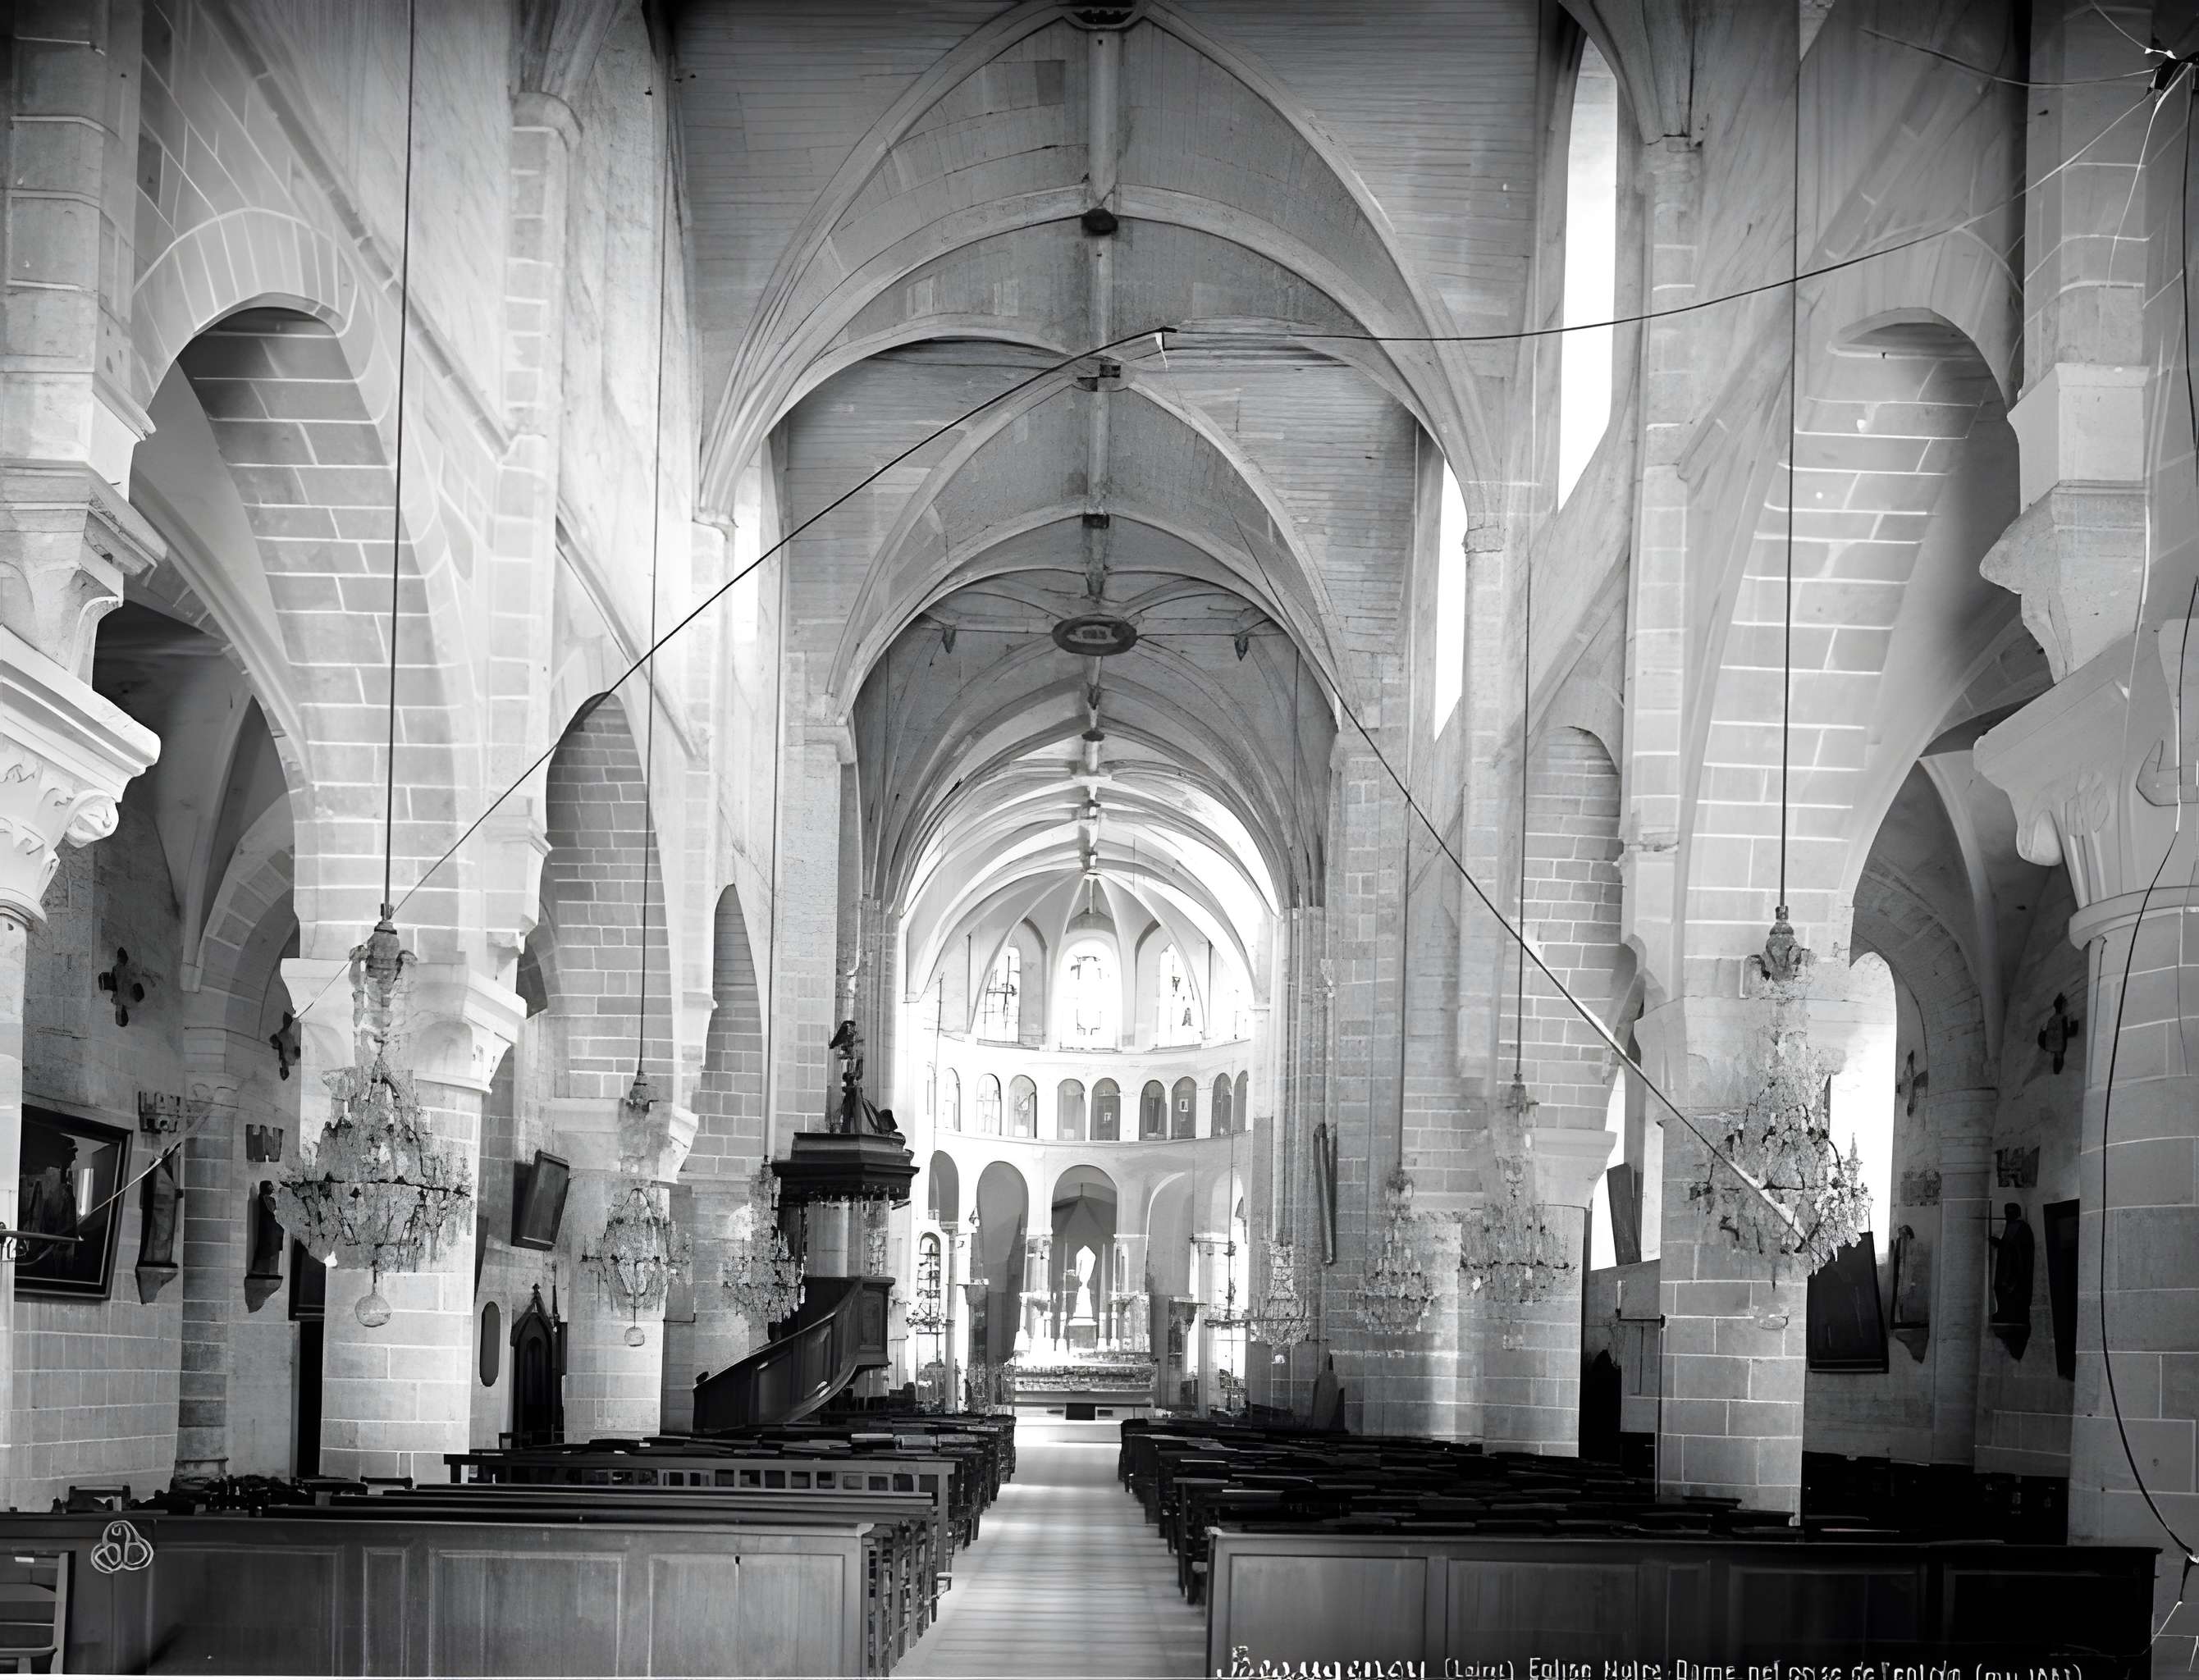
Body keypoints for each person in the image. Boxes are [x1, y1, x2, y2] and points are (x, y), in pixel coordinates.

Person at [1990, 1201, 2034, 1361]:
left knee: (2010, 1292)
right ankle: (2004, 1312)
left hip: (2013, 1270)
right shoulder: (2011, 1226)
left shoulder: (2021, 1227)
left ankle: (2010, 1314)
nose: (2007, 1215)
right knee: (2000, 1290)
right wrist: (1998, 1243)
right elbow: (2007, 1245)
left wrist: (2014, 1278)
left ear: (2016, 1213)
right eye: (2006, 1212)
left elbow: (2020, 1251)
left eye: (2009, 1212)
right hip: (2005, 1268)